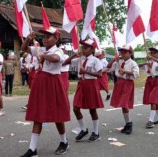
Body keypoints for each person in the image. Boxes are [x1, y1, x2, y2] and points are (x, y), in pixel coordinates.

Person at [20, 29, 70, 157]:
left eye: (48, 36)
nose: (45, 38)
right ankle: (32, 149)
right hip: (40, 83)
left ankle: (64, 141)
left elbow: (55, 58)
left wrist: (43, 56)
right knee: (38, 115)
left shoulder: (58, 50)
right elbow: (23, 48)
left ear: (56, 39)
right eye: (44, 36)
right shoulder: (40, 49)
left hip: (53, 83)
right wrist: (28, 38)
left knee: (57, 116)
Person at [63, 39, 104, 142]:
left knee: (92, 109)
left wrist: (86, 71)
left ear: (92, 49)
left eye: (86, 48)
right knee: (76, 108)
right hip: (81, 84)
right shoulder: (80, 59)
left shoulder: (95, 60)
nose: (83, 49)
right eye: (83, 47)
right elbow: (65, 63)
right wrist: (74, 55)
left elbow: (100, 74)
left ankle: (96, 132)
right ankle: (83, 129)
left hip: (91, 84)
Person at [107, 45, 139, 135]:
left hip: (128, 83)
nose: (123, 54)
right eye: (121, 52)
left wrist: (125, 71)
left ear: (130, 53)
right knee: (122, 104)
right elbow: (108, 67)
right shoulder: (118, 61)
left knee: (125, 103)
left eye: (125, 52)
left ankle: (129, 124)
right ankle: (127, 123)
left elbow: (136, 74)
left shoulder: (133, 63)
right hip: (119, 83)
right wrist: (114, 59)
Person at [139, 46, 158, 128]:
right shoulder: (148, 62)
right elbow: (137, 65)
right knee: (154, 101)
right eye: (151, 52)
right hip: (149, 81)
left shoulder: (157, 62)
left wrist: (153, 58)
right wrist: (145, 63)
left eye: (154, 52)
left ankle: (151, 121)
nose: (152, 54)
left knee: (153, 100)